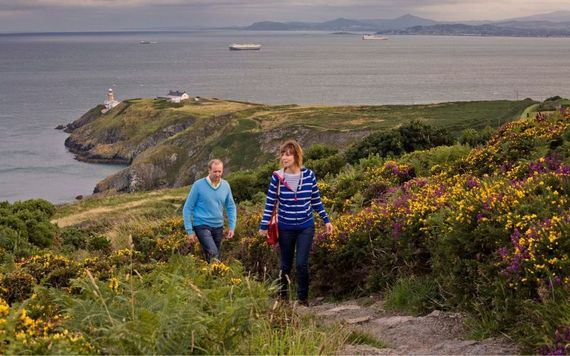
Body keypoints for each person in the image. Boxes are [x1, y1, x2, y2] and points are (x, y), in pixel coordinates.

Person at [258, 140, 333, 306]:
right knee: (285, 265)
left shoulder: (309, 175)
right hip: (285, 227)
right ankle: (283, 299)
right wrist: (263, 226)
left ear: (296, 156)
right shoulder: (277, 177)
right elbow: (270, 202)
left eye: (288, 154)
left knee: (301, 264)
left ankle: (302, 299)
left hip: (306, 226)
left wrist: (326, 220)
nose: (284, 157)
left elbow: (316, 200)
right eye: (283, 154)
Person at [183, 159, 237, 263]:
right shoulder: (198, 185)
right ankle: (218, 276)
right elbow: (187, 208)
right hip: (201, 225)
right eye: (215, 171)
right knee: (214, 253)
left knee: (213, 255)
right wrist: (189, 230)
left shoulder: (226, 185)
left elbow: (231, 206)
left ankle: (211, 276)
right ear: (209, 170)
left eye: (220, 171)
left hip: (218, 226)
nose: (217, 174)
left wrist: (232, 226)